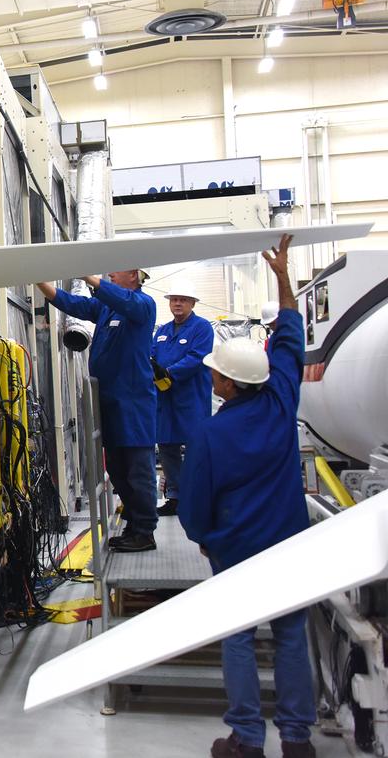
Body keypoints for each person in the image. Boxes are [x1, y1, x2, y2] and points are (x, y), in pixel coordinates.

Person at [178, 235, 316, 758]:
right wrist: (283, 278)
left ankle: (248, 740)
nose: (210, 374)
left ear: (229, 386)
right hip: (289, 542)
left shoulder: (212, 436)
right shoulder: (281, 399)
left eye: (216, 372)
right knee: (290, 635)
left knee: (237, 638)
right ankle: (298, 740)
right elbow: (290, 337)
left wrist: (207, 539)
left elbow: (193, 506)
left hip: (236, 549)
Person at [38, 269, 159, 552]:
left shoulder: (142, 305)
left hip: (134, 404)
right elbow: (73, 304)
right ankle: (134, 522)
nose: (109, 275)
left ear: (134, 276)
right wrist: (40, 280)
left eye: (114, 272)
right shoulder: (106, 307)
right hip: (110, 402)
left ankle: (145, 531)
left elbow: (126, 302)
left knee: (137, 470)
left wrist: (90, 277)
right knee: (117, 469)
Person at [150, 281, 215, 517]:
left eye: (183, 300)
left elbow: (198, 357)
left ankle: (199, 495)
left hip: (192, 398)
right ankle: (176, 497)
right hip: (165, 399)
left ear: (193, 303)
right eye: (174, 299)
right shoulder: (163, 330)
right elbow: (153, 355)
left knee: (196, 446)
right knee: (167, 446)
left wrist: (169, 372)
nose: (177, 303)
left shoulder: (202, 328)